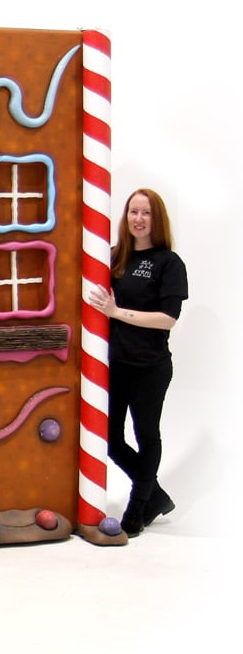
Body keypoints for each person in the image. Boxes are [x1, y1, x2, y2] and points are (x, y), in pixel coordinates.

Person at [88, 188, 188, 537]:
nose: (139, 219)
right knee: (110, 439)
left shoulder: (168, 263)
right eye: (133, 211)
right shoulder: (114, 257)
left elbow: (168, 319)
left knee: (146, 435)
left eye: (146, 213)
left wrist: (117, 312)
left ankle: (138, 505)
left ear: (157, 219)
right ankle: (156, 496)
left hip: (150, 367)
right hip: (116, 365)